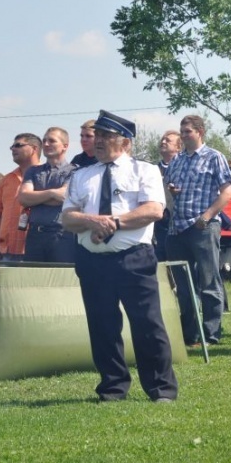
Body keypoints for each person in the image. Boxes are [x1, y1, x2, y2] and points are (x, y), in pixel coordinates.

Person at [61, 110, 178, 403]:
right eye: (96, 135)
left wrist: (112, 222)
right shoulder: (81, 175)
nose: (98, 141)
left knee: (148, 324)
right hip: (92, 260)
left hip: (134, 258)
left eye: (106, 136)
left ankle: (161, 388)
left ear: (125, 142)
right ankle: (112, 387)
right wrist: (91, 221)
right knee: (102, 325)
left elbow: (153, 210)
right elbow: (67, 219)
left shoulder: (145, 170)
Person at [164, 115, 231, 346]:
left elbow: (227, 193)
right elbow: (169, 190)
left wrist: (206, 217)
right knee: (184, 286)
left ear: (200, 132)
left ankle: (212, 333)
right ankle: (190, 334)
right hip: (178, 229)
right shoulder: (177, 161)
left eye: (188, 131)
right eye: (182, 132)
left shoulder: (214, 157)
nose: (183, 135)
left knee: (209, 281)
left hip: (203, 227)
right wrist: (172, 192)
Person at [19, 127, 76, 262]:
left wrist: (35, 198)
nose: (45, 144)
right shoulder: (33, 171)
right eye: (44, 141)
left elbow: (63, 196)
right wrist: (51, 193)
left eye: (52, 141)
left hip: (61, 235)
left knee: (61, 279)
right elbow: (23, 198)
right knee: (33, 279)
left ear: (65, 146)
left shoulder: (74, 171)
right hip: (34, 235)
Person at [0, 133, 43, 262]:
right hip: (5, 253)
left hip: (35, 251)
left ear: (34, 149)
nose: (13, 149)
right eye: (12, 146)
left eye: (18, 145)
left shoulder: (46, 176)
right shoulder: (7, 179)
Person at [154, 130, 182, 261]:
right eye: (162, 139)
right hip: (158, 225)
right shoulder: (152, 170)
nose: (163, 142)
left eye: (168, 140)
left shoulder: (184, 168)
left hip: (179, 225)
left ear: (178, 147)